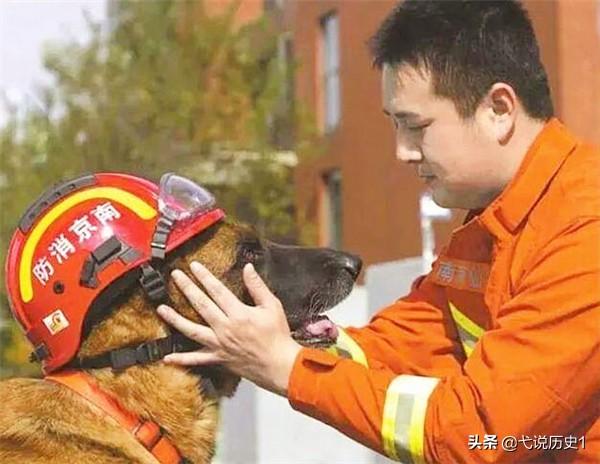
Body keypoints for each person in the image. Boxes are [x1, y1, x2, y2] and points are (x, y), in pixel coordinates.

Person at [156, 1, 600, 462]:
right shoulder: (493, 227)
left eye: (416, 127)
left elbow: (477, 433)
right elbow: (397, 348)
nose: (403, 153)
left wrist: (286, 367)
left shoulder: (583, 231)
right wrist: (268, 335)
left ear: (499, 109)